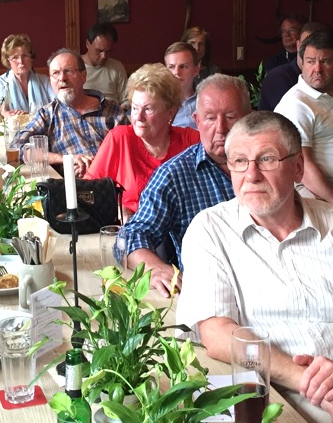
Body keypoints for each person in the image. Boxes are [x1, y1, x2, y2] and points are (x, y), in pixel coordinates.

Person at [177, 111, 333, 423]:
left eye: (267, 159)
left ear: (298, 166)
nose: (251, 175)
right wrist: (314, 385)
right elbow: (218, 335)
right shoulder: (211, 230)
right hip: (260, 395)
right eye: (240, 161)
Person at [121, 74, 251, 297]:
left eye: (230, 117)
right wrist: (155, 269)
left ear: (248, 118)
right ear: (197, 121)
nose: (221, 128)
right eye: (210, 118)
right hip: (210, 293)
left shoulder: (270, 166)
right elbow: (132, 235)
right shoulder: (174, 175)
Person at [85, 63, 199, 216]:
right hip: (131, 226)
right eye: (135, 108)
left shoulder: (191, 141)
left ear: (170, 113)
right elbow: (88, 192)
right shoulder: (120, 139)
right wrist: (118, 209)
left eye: (148, 109)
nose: (138, 117)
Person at [274, 32, 333, 210]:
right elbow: (302, 165)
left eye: (325, 61)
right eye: (310, 61)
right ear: (301, 63)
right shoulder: (296, 103)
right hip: (319, 191)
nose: (317, 69)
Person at [11, 49, 123, 178]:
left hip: (113, 182)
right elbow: (17, 148)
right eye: (55, 73)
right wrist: (66, 159)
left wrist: (97, 167)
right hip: (71, 185)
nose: (62, 78)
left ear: (83, 76)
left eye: (68, 71)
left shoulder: (111, 111)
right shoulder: (48, 114)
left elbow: (132, 150)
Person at [258, 22, 332, 112]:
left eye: (319, 46)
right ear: (298, 45)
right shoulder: (278, 77)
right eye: (306, 45)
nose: (311, 50)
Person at [0, 34, 54, 116]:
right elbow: (3, 109)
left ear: (31, 58)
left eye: (25, 56)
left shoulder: (45, 81)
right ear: (8, 61)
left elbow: (57, 107)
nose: (21, 61)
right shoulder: (1, 83)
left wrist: (29, 116)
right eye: (15, 57)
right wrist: (8, 114)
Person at [81, 22, 128, 104]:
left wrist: (124, 107)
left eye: (108, 51)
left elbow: (126, 99)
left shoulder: (117, 66)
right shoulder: (75, 66)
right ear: (88, 44)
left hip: (114, 109)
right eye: (99, 51)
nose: (104, 56)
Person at [163, 41, 200, 129]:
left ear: (196, 71)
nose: (176, 72)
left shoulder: (207, 99)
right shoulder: (159, 102)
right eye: (171, 67)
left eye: (183, 66)